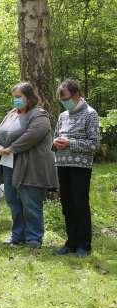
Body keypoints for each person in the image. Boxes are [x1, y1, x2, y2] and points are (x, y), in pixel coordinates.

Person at [0, 82, 57, 248]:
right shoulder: (11, 114)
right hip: (8, 164)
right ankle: (17, 236)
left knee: (30, 202)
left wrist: (11, 149)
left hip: (30, 167)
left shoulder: (39, 115)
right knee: (13, 200)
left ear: (28, 98)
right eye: (14, 97)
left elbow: (33, 135)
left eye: (18, 97)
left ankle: (34, 238)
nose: (15, 101)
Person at [53, 79, 101, 257]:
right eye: (60, 98)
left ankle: (84, 244)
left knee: (80, 204)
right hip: (62, 164)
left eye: (65, 97)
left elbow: (94, 144)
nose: (63, 101)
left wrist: (70, 143)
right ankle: (71, 242)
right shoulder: (62, 116)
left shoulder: (91, 114)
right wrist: (55, 142)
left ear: (76, 95)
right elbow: (56, 136)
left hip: (80, 166)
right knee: (66, 203)